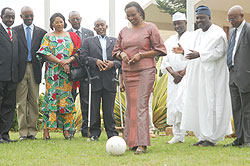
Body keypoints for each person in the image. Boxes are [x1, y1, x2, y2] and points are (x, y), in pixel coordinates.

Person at [173, 6, 232, 146]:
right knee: (199, 104)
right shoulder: (196, 34)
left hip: (213, 77)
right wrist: (183, 52)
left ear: (209, 18)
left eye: (202, 18)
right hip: (197, 77)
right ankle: (202, 136)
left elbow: (220, 52)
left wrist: (201, 55)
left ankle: (211, 138)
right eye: (198, 18)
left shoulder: (218, 33)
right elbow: (191, 52)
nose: (199, 21)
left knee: (211, 104)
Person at [112, 1, 167, 154]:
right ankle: (131, 141)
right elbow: (115, 51)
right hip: (128, 71)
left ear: (141, 13)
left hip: (145, 71)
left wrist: (141, 55)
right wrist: (121, 54)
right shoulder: (124, 31)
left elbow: (161, 49)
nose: (131, 18)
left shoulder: (151, 28)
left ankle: (142, 143)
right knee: (131, 106)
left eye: (133, 15)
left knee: (141, 105)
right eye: (128, 16)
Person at [36, 13, 81, 140]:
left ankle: (66, 131)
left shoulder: (71, 36)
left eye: (61, 22)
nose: (59, 24)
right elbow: (44, 53)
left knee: (66, 99)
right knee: (51, 99)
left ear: (64, 22)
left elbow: (78, 52)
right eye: (56, 22)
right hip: (52, 73)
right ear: (52, 24)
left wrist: (69, 61)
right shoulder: (47, 36)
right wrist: (60, 62)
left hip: (66, 73)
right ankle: (46, 131)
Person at [80, 18, 120, 141]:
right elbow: (83, 57)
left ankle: (112, 133)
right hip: (94, 78)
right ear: (94, 28)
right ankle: (94, 133)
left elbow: (121, 59)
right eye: (98, 25)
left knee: (109, 109)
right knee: (93, 108)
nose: (100, 27)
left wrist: (113, 64)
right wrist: (95, 61)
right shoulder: (88, 41)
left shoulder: (114, 41)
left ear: (106, 26)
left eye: (102, 25)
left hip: (110, 79)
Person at [13, 6, 47, 141]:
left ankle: (32, 131)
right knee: (21, 102)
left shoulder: (41, 32)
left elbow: (44, 53)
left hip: (35, 69)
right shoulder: (15, 31)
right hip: (20, 69)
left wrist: (39, 65)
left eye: (31, 15)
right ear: (21, 16)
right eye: (26, 16)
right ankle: (23, 132)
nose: (29, 18)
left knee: (34, 101)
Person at [160, 12, 189, 144]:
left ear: (186, 23)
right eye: (175, 24)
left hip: (188, 76)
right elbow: (165, 60)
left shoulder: (193, 37)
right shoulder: (169, 40)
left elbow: (194, 58)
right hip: (173, 78)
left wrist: (182, 73)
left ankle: (188, 133)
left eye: (180, 23)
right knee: (173, 105)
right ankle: (177, 135)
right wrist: (173, 74)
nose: (177, 26)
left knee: (185, 104)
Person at [226, 5, 250, 147]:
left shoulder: (248, 30)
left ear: (242, 16)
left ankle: (247, 140)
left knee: (247, 110)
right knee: (237, 109)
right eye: (229, 19)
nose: (231, 21)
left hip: (246, 76)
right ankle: (240, 138)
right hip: (233, 74)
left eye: (233, 18)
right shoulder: (232, 32)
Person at [67, 11, 94, 137]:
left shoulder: (89, 33)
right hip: (71, 72)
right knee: (70, 100)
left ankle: (85, 129)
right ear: (69, 21)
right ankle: (70, 129)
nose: (76, 21)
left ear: (81, 18)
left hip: (86, 71)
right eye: (73, 19)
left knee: (86, 101)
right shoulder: (66, 34)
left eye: (77, 18)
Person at [0, 7, 19, 143]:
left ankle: (5, 135)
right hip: (0, 76)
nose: (10, 19)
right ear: (1, 17)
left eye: (12, 17)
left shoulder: (15, 33)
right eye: (7, 17)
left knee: (9, 106)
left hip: (12, 77)